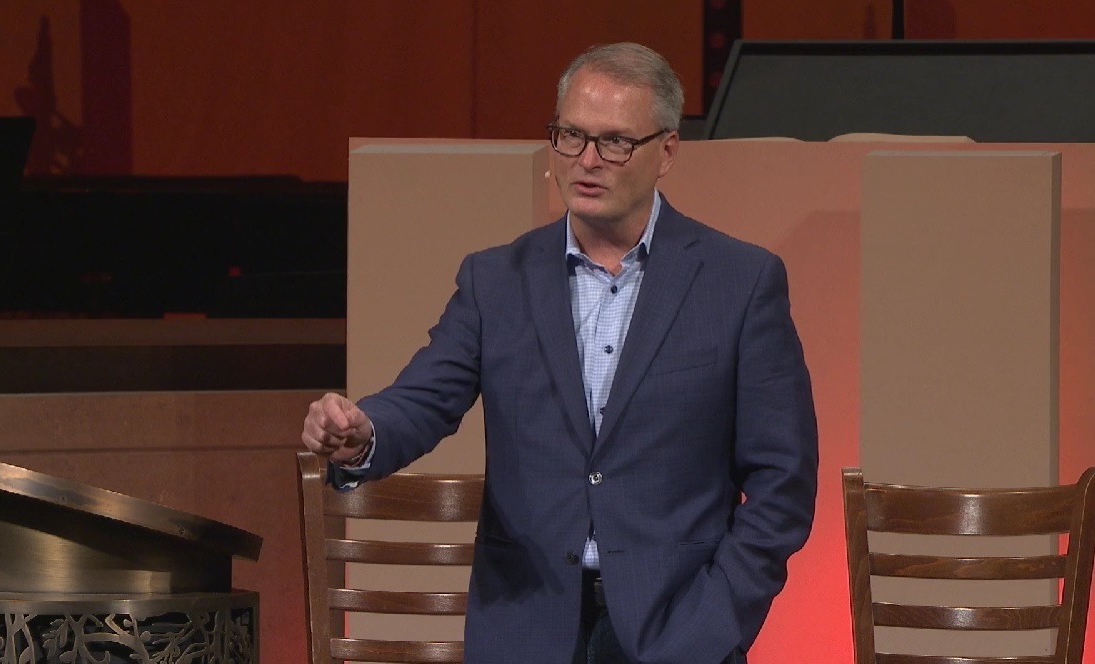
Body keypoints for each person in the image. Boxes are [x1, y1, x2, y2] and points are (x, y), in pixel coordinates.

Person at [302, 42, 818, 664]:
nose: (586, 161)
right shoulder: (496, 280)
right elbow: (424, 397)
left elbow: (782, 481)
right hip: (526, 626)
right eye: (570, 135)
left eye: (614, 142)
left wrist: (715, 619)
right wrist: (362, 434)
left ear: (668, 152)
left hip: (678, 628)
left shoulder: (740, 282)